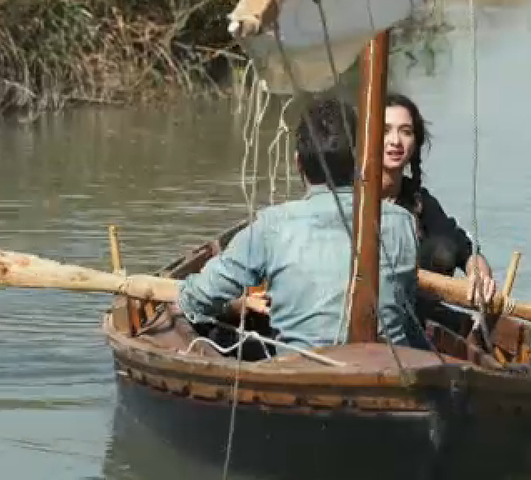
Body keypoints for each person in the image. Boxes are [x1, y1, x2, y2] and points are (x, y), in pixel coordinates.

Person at [174, 97, 429, 352]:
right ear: (361, 160)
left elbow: (198, 299)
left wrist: (206, 302)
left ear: (298, 163)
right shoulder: (402, 222)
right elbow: (406, 312)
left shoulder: (272, 225)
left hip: (303, 374)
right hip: (389, 375)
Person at [382, 92, 498, 306]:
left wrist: (479, 276)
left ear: (415, 142)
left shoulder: (420, 202)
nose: (395, 141)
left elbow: (466, 250)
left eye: (405, 132)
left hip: (415, 318)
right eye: (385, 131)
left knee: (442, 248)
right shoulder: (348, 198)